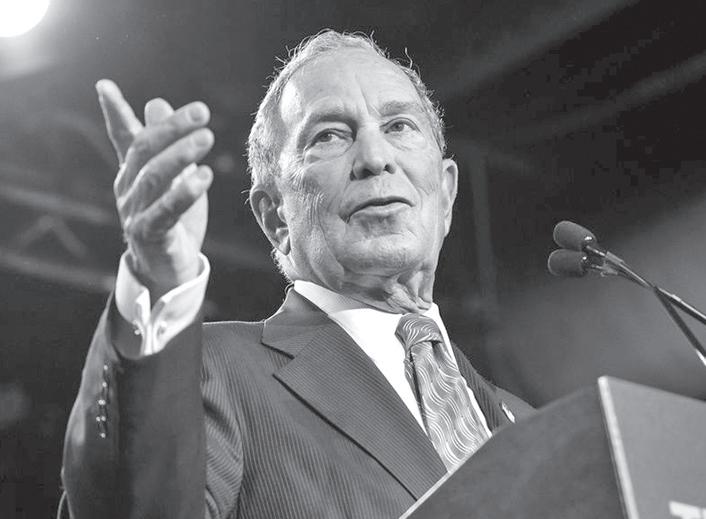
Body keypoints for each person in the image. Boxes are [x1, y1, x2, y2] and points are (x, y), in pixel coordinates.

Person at [61, 30, 532, 518]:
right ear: (276, 217)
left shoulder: (530, 423)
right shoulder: (214, 371)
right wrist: (156, 275)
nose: (375, 158)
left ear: (447, 193)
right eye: (329, 135)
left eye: (399, 126)